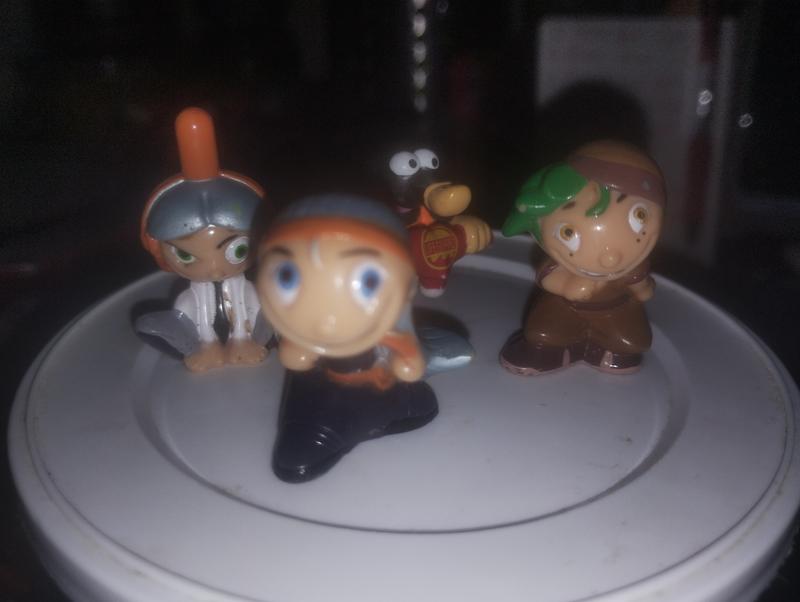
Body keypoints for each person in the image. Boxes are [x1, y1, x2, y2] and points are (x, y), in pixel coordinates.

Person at [257, 194, 438, 482]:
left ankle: (382, 409)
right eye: (287, 276)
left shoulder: (393, 323)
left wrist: (407, 357)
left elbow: (409, 360)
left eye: (368, 281)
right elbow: (295, 356)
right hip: (320, 389)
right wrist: (298, 345)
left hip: (374, 376)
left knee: (407, 393)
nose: (326, 321)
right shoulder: (300, 333)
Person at [500, 140, 665, 374]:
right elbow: (547, 278)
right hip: (566, 308)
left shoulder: (633, 268)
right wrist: (569, 286)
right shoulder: (560, 265)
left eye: (639, 217)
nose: (610, 259)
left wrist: (642, 287)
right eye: (568, 234)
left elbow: (641, 287)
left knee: (633, 341)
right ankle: (556, 351)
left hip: (617, 310)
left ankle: (606, 352)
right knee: (542, 333)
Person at [138, 107, 268, 372]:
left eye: (238, 250)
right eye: (186, 255)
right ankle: (203, 345)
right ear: (157, 248)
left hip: (249, 328)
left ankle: (245, 340)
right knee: (186, 305)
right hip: (198, 328)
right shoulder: (191, 293)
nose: (215, 269)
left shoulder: (245, 285)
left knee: (254, 298)